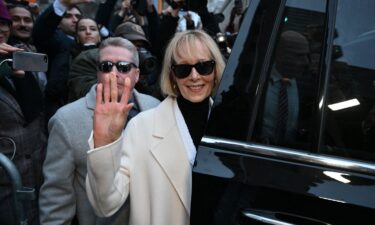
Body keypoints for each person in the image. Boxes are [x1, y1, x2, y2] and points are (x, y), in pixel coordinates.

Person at [85, 29, 225, 225]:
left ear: (216, 69)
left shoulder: (229, 124)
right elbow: (105, 204)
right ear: (172, 75)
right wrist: (103, 142)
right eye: (183, 69)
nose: (194, 76)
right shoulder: (142, 127)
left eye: (204, 67)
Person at [38, 37, 160, 225]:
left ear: (137, 74)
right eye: (106, 66)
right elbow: (56, 195)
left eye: (123, 67)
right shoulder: (66, 120)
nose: (114, 73)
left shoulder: (154, 108)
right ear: (98, 72)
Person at [0, 41, 47, 225]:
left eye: (6, 23)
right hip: (6, 184)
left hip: (38, 179)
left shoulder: (23, 63)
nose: (2, 28)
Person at [259, 30, 310, 146]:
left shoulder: (307, 87)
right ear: (280, 54)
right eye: (299, 55)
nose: (306, 62)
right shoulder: (257, 80)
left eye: (307, 55)